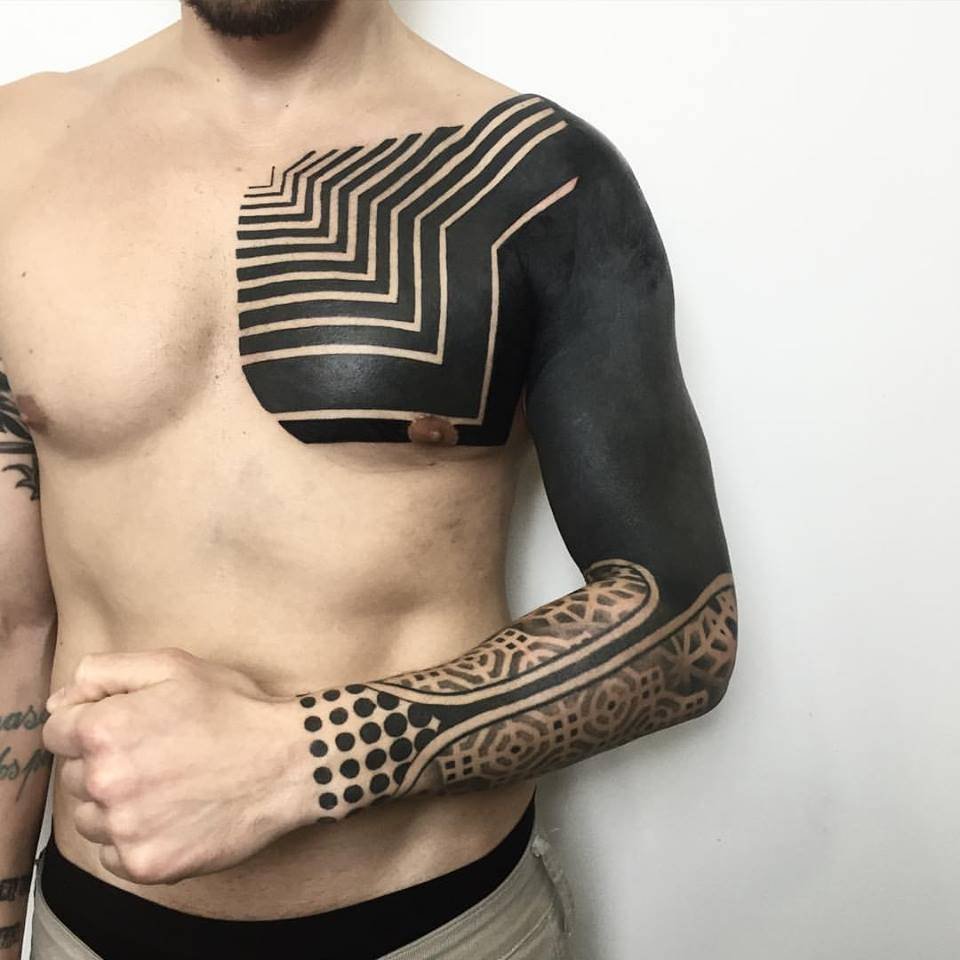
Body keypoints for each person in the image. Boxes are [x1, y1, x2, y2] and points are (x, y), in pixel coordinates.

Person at [0, 1, 738, 957]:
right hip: (88, 927)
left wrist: (312, 756)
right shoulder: (19, 154)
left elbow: (686, 625)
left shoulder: (536, 176)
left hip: (438, 924)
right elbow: (12, 625)